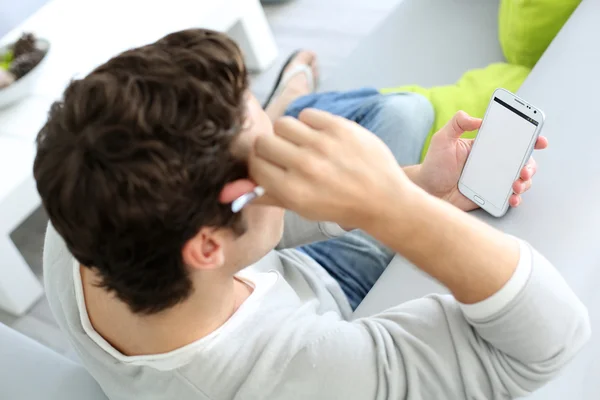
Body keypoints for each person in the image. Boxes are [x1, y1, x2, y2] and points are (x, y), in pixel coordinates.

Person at [33, 29, 589, 400]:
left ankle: (280, 101)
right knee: (402, 111)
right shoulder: (298, 378)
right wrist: (396, 207)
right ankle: (289, 95)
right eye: (267, 158)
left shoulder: (84, 200)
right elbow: (554, 340)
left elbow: (249, 228)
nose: (288, 152)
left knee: (405, 110)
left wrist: (418, 182)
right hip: (328, 295)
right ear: (206, 246)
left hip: (277, 270)